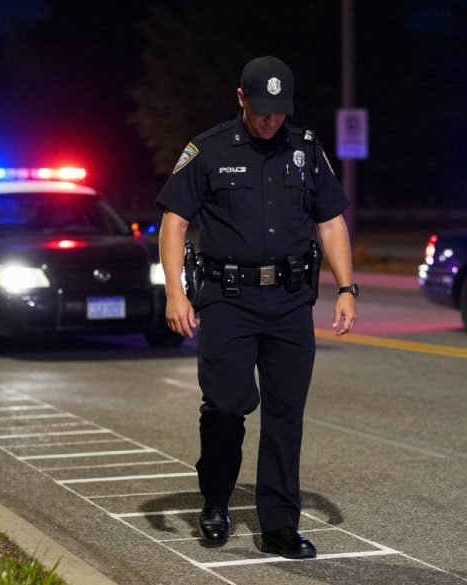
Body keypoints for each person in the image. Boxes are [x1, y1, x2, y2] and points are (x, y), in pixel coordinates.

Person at [155, 56, 358, 559]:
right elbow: (175, 221)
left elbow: (331, 222)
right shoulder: (209, 148)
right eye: (262, 110)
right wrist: (175, 292)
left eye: (280, 112)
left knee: (287, 414)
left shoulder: (306, 150)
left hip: (290, 301)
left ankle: (280, 526)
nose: (271, 120)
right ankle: (216, 500)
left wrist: (347, 288)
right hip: (228, 299)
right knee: (226, 406)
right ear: (241, 99)